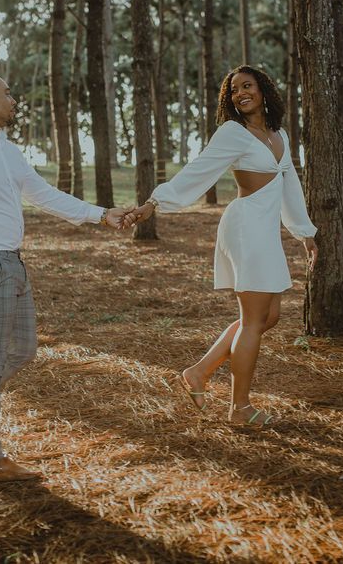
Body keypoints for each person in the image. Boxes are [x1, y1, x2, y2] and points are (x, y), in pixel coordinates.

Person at [0, 70, 132, 481]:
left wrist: (101, 215)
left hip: (10, 264)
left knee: (22, 349)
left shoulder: (5, 150)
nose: (13, 100)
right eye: (6, 93)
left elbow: (43, 195)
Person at [129, 65, 317, 427]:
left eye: (248, 86)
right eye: (234, 90)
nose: (240, 94)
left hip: (266, 229)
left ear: (263, 90)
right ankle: (240, 409)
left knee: (268, 318)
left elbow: (290, 183)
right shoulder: (233, 132)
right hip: (246, 226)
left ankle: (199, 371)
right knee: (252, 321)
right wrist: (154, 203)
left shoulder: (278, 134)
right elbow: (197, 171)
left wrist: (304, 233)